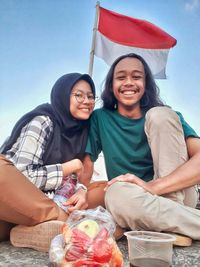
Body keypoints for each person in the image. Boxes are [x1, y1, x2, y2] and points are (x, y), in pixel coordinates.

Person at [81, 53, 200, 241]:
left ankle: (164, 220)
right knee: (114, 193)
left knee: (161, 114)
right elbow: (86, 165)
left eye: (136, 77)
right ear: (112, 85)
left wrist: (154, 186)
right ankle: (173, 228)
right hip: (133, 200)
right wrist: (79, 190)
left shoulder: (169, 115)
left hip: (178, 195)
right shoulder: (100, 118)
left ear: (146, 84)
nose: (128, 82)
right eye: (121, 77)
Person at [0, 72, 96, 251]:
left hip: (48, 201)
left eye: (91, 96)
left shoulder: (81, 131)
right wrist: (69, 167)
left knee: (107, 188)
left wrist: (82, 190)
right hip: (17, 198)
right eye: (78, 95)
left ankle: (29, 228)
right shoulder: (43, 121)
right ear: (62, 95)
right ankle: (62, 220)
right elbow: (20, 177)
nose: (87, 100)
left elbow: (80, 179)